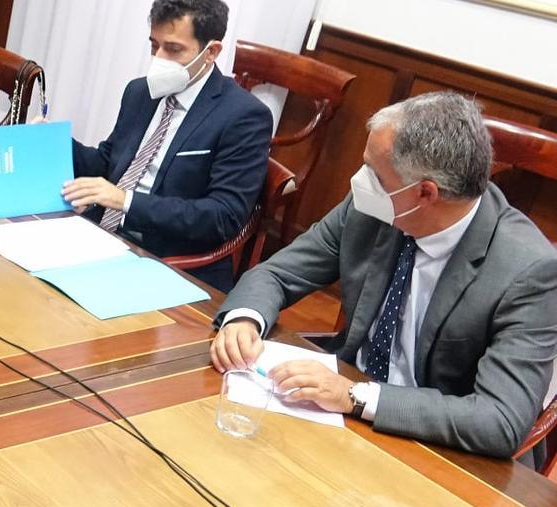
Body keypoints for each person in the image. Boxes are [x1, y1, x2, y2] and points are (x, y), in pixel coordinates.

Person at [211, 92, 557, 464]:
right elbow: (279, 272)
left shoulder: (530, 271)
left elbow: (499, 421)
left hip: (439, 452)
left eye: (374, 174)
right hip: (337, 414)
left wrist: (357, 397)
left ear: (425, 192)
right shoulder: (374, 207)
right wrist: (245, 317)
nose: (359, 181)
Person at [61, 0, 272, 292]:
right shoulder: (140, 92)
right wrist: (55, 142)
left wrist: (126, 201)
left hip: (170, 261)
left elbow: (222, 216)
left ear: (211, 52)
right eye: (153, 45)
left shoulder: (244, 116)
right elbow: (109, 164)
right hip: (102, 238)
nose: (158, 59)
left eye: (173, 49)